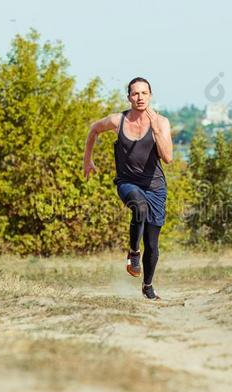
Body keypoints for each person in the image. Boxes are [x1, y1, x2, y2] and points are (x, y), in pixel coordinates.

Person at [83, 77, 173, 300]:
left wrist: (156, 132)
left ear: (150, 96)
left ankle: (148, 286)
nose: (140, 97)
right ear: (129, 97)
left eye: (144, 93)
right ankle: (133, 252)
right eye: (135, 93)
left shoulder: (161, 122)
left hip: (155, 188)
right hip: (127, 183)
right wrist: (88, 160)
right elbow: (94, 129)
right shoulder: (118, 120)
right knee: (138, 208)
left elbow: (168, 158)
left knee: (152, 245)